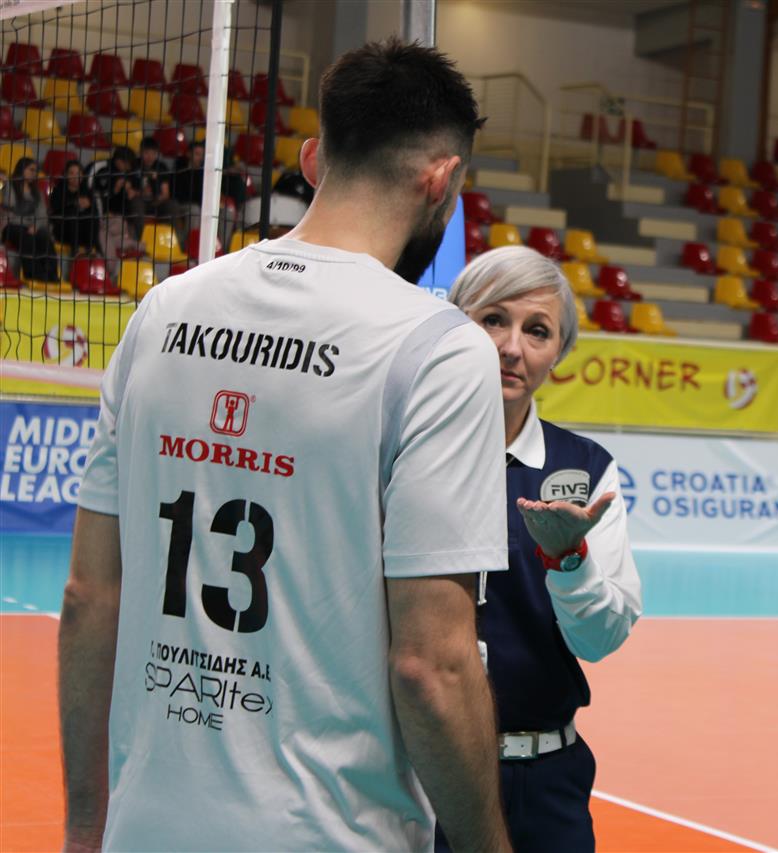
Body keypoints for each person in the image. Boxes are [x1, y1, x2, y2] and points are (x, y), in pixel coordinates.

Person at [59, 38, 512, 853]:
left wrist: (86, 823)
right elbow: (432, 668)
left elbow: (90, 596)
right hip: (326, 833)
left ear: (314, 158)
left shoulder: (162, 312)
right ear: (441, 178)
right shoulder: (437, 349)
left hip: (145, 827)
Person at [441, 245, 642, 852]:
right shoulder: (400, 450)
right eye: (492, 320)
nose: (511, 348)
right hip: (422, 769)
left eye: (537, 331)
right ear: (455, 327)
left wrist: (569, 561)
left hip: (545, 781)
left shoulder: (586, 469)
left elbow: (600, 640)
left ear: (559, 352)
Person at [2, 156, 60, 282]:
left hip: (32, 227)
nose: (34, 173)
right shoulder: (10, 186)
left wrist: (36, 226)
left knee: (45, 238)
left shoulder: (37, 192)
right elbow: (10, 208)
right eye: (31, 170)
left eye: (35, 171)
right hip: (12, 225)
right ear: (21, 169)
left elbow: (42, 214)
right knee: (27, 239)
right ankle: (34, 274)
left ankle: (52, 275)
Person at [49, 160, 101, 257]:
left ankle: (91, 249)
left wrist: (89, 205)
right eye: (71, 173)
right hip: (64, 231)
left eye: (78, 173)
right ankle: (75, 252)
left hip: (83, 232)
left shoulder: (87, 191)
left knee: (91, 215)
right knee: (73, 213)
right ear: (66, 175)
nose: (75, 176)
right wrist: (75, 203)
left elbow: (96, 213)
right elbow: (56, 210)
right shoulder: (58, 190)